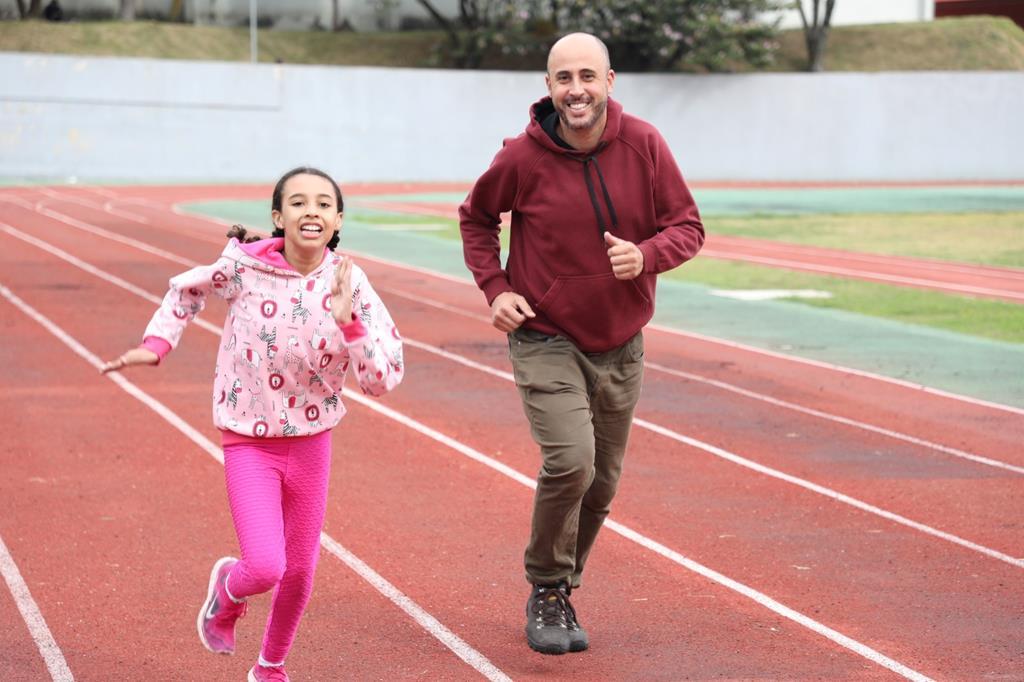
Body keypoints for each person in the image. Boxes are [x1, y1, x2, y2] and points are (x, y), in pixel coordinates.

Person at [102, 167, 404, 682]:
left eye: (324, 204)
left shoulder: (350, 283)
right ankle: (228, 588)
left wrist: (348, 320)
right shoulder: (243, 267)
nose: (312, 211)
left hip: (312, 442)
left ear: (337, 220)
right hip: (248, 440)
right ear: (278, 217)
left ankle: (270, 668)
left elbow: (381, 381)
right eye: (299, 202)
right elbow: (185, 292)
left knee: (300, 572)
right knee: (265, 566)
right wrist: (156, 345)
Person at [458, 32, 705, 655]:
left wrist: (646, 255)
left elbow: (688, 226)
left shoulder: (645, 143)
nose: (576, 90)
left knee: (601, 485)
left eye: (587, 76)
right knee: (572, 462)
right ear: (549, 87)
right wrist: (495, 288)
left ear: (609, 81)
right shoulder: (522, 158)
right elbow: (476, 217)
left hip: (621, 341)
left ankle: (563, 588)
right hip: (545, 335)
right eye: (564, 78)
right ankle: (546, 586)